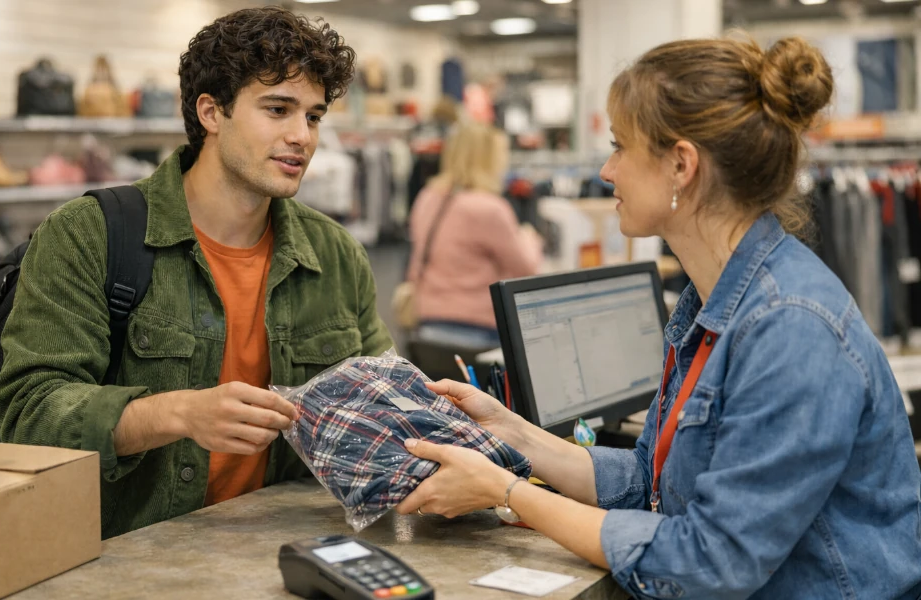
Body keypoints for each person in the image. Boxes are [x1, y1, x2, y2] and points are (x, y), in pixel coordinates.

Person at [395, 35, 921, 599]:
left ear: (681, 164)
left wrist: (507, 491)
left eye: (621, 147)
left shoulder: (791, 327)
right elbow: (650, 481)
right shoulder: (712, 299)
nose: (606, 170)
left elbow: (709, 562)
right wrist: (513, 433)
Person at [0, 7, 393, 539]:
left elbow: (379, 405)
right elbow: (28, 411)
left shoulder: (335, 255)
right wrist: (178, 413)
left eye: (314, 116)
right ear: (211, 112)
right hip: (127, 559)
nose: (303, 136)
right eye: (278, 109)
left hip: (289, 547)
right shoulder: (90, 235)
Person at [406, 122, 543, 348]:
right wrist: (530, 238)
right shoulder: (489, 208)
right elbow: (526, 269)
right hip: (477, 331)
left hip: (427, 325)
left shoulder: (428, 197)